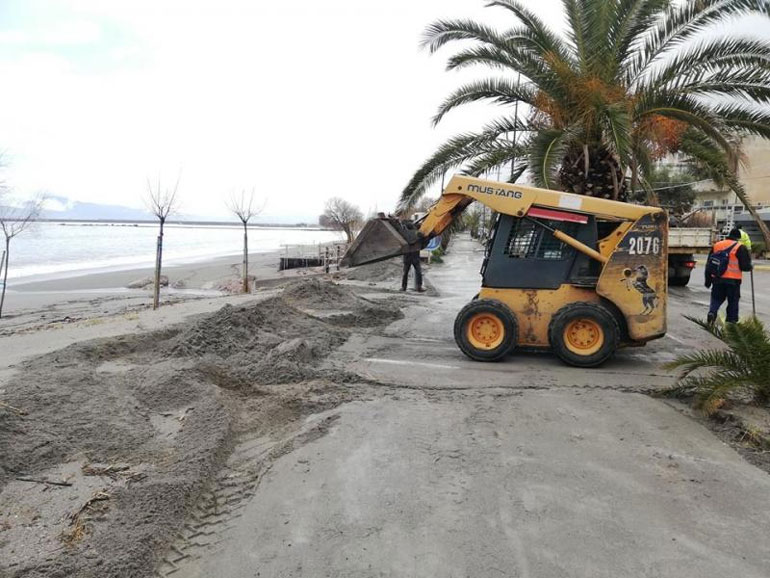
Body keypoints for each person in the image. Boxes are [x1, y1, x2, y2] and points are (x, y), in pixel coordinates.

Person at [706, 228, 753, 324]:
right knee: (733, 301)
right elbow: (745, 266)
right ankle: (731, 321)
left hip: (718, 278)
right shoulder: (740, 247)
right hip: (733, 280)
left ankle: (712, 312)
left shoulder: (717, 245)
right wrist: (750, 266)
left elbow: (709, 264)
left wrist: (708, 280)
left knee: (716, 298)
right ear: (738, 238)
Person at [401, 219, 426, 292]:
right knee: (418, 272)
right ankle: (419, 287)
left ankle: (404, 287)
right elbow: (423, 237)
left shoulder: (404, 234)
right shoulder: (417, 233)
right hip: (415, 256)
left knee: (405, 272)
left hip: (407, 256)